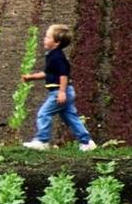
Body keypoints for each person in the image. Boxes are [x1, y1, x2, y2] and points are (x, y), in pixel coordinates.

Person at [21, 23, 96, 152]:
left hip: (59, 91)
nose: (44, 39)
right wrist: (31, 77)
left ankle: (42, 140)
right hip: (64, 91)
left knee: (43, 113)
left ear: (56, 42)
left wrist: (62, 92)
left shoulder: (57, 57)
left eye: (48, 37)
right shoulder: (52, 56)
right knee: (71, 118)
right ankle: (87, 142)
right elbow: (48, 73)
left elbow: (63, 75)